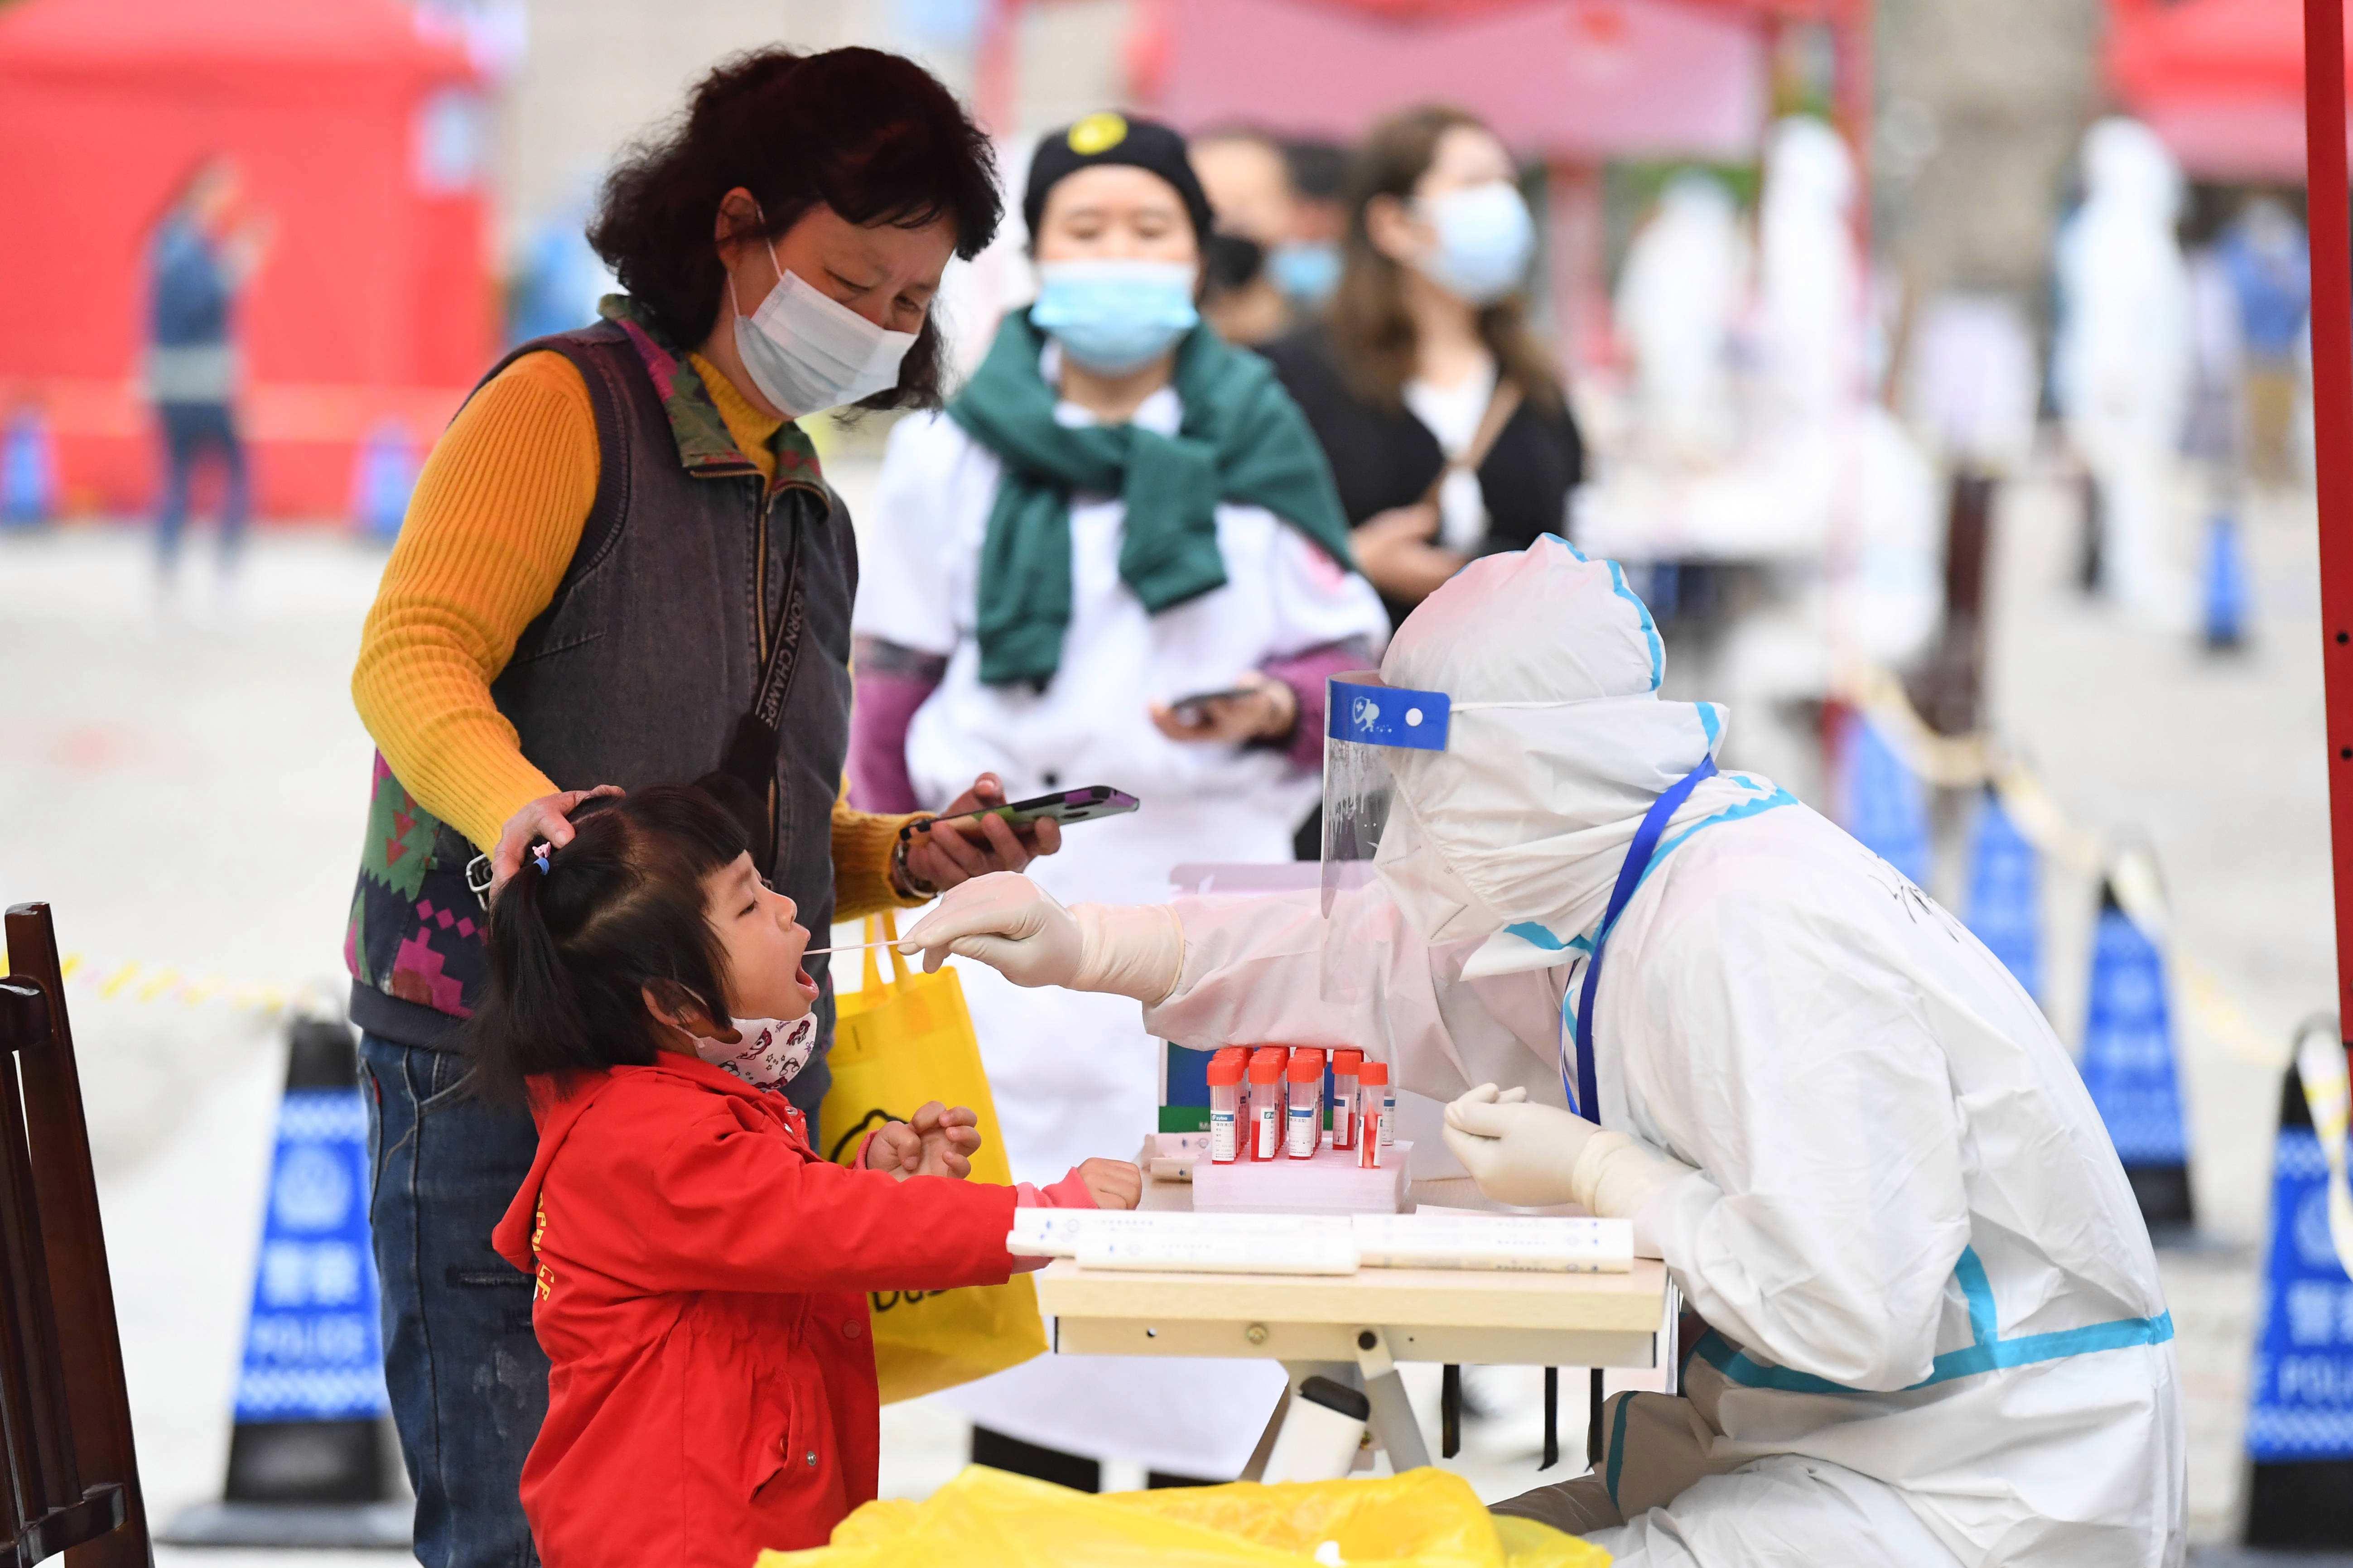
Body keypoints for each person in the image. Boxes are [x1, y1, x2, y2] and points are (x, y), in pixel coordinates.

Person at [903, 537, 2186, 1565]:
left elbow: (1854, 1309)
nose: (1405, 825)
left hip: (1968, 1489)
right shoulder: (1618, 886)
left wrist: (1601, 1171)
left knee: (1414, 1546)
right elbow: (1366, 950)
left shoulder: (1749, 924)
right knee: (1410, 1540)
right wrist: (1086, 940)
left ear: (1523, 771)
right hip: (1817, 1447)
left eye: (1428, 778)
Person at [342, 48, 1056, 1567]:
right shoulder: (562, 408)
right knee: (522, 1514)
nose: (878, 327)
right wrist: (521, 813)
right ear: (734, 230)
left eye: (912, 304)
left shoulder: (807, 503)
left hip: (724, 1092)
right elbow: (414, 656)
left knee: (718, 1514)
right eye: (851, 281)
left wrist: (906, 858)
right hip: (501, 1061)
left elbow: (751, 839)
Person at [848, 110, 1390, 1489]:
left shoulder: (1261, 433)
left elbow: (1357, 672)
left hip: (1215, 905)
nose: (1118, 256)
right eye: (1085, 229)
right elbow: (891, 682)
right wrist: (866, 861)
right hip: (1009, 904)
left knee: (1209, 1270)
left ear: (1196, 254)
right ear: (1038, 253)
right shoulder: (954, 447)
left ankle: (1204, 1518)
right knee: (1025, 1268)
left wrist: (1275, 705)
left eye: (1149, 229)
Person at [469, 783, 1138, 1567]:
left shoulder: (667, 1113)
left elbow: (775, 1233)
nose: (790, 910)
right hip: (684, 1542)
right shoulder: (644, 1140)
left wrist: (869, 1179)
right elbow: (826, 1221)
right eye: (748, 906)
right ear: (676, 1004)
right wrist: (1048, 1214)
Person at [1261, 106, 1584, 632]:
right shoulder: (1296, 375)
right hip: (1359, 689)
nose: (1503, 204)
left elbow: (1572, 533)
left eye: (1507, 182)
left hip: (1510, 690)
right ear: (1393, 223)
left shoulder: (1531, 378)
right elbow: (1250, 548)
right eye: (1474, 184)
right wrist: (1353, 559)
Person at [144, 156, 270, 601]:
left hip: (176, 376)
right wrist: (236, 267)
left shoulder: (171, 241)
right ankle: (220, 570)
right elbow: (195, 306)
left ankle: (170, 568)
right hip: (197, 378)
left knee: (179, 474)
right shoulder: (183, 244)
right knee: (234, 469)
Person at [1191, 126, 1300, 347]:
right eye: (1211, 204)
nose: (1228, 222)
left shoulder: (1326, 346)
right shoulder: (1161, 351)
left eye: (1247, 203)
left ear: (1290, 210)